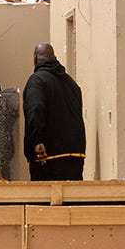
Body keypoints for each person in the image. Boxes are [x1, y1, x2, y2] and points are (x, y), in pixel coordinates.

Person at [22, 42, 86, 181]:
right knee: (71, 199)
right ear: (54, 58)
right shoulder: (71, 83)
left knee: (45, 200)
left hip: (48, 157)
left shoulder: (37, 81)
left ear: (35, 59)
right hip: (76, 155)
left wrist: (36, 141)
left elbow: (35, 109)